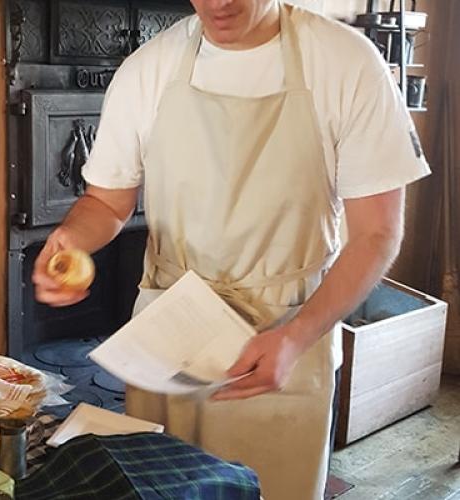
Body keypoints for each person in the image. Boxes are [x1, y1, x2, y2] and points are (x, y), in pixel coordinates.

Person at [32, 0, 430, 498]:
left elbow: (377, 232)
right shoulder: (149, 68)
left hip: (284, 337)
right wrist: (73, 241)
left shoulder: (346, 64)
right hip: (169, 336)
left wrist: (298, 336)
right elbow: (106, 203)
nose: (218, 3)